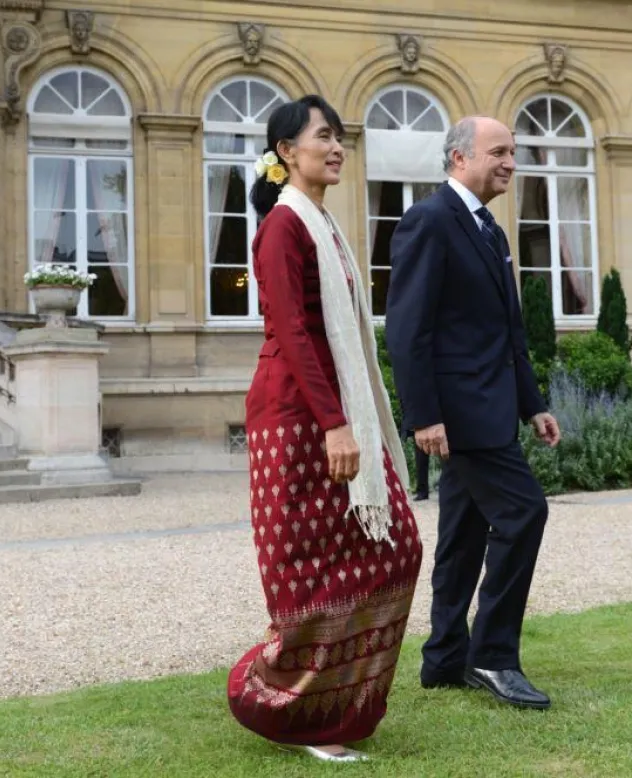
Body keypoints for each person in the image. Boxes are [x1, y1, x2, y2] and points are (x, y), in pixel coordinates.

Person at [226, 95, 423, 764]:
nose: (336, 147)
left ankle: (332, 705)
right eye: (322, 136)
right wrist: (335, 425)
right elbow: (291, 330)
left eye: (340, 136)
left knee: (394, 549)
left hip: (335, 411)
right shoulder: (283, 226)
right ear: (287, 151)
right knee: (306, 573)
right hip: (296, 418)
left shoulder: (324, 224)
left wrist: (345, 418)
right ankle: (285, 701)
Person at [384, 116, 562, 710]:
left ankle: (443, 659)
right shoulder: (429, 220)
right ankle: (493, 656)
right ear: (459, 158)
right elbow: (408, 329)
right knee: (525, 512)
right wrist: (423, 416)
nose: (511, 162)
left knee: (461, 533)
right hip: (459, 415)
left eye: (513, 151)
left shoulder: (491, 229)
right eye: (499, 151)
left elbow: (508, 330)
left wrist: (532, 404)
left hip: (493, 407)